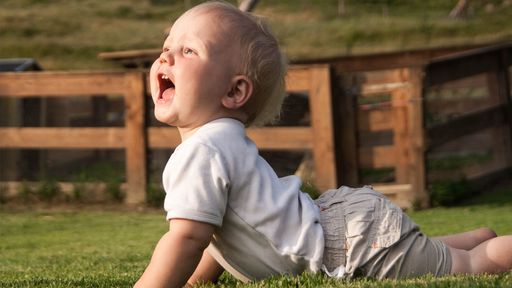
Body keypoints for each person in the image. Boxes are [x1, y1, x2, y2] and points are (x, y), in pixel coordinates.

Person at [134, 1, 512, 287]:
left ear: (234, 91)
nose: (166, 56)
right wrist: (196, 281)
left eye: (188, 51)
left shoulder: (203, 152)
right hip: (339, 225)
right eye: (166, 46)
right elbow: (216, 234)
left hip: (351, 244)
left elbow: (188, 238)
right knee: (430, 254)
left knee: (471, 268)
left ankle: (483, 250)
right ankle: (475, 239)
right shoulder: (221, 142)